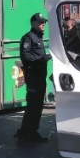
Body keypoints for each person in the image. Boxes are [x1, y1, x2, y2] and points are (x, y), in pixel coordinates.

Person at [15, 13, 51, 143]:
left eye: (44, 22)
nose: (43, 24)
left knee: (37, 107)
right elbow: (26, 56)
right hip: (33, 77)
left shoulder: (38, 37)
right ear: (33, 23)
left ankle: (32, 132)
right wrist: (41, 59)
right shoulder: (29, 38)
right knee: (32, 107)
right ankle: (25, 134)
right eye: (40, 22)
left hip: (40, 77)